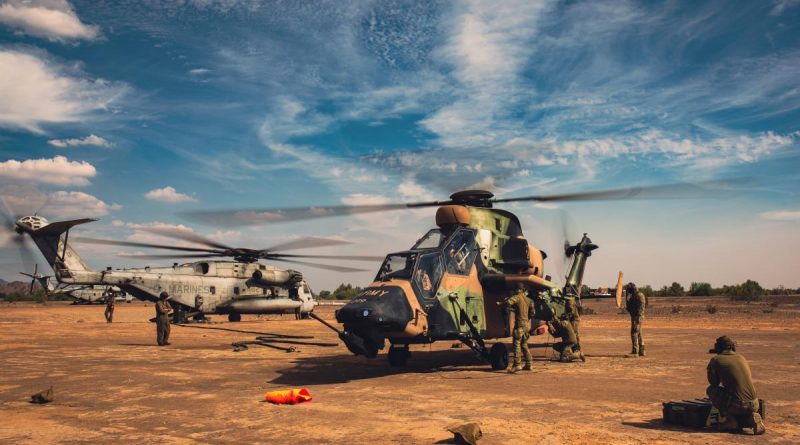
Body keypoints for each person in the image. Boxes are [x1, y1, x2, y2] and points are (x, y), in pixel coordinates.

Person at [706, 336, 766, 435]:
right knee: (739, 397)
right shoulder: (741, 357)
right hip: (755, 404)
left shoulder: (716, 359)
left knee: (711, 390)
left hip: (737, 405)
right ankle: (750, 417)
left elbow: (713, 383)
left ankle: (731, 420)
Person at [500, 285, 534, 373]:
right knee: (524, 345)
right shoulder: (529, 300)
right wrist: (527, 318)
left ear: (517, 290)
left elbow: (509, 302)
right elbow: (533, 312)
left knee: (516, 344)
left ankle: (517, 365)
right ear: (523, 290)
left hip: (519, 325)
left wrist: (501, 304)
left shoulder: (517, 297)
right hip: (526, 325)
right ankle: (529, 364)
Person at [625, 282, 646, 356]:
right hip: (637, 316)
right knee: (639, 333)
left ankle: (635, 351)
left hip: (637, 317)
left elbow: (641, 306)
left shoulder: (638, 295)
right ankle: (642, 351)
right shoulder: (635, 295)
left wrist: (639, 316)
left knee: (634, 332)